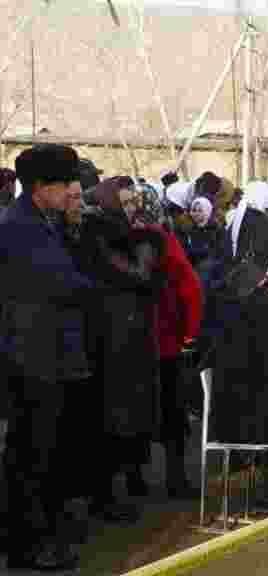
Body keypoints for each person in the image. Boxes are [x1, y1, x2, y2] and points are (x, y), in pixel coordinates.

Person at [1, 144, 92, 570]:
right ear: (40, 187)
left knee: (43, 451)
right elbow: (62, 283)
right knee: (30, 455)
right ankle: (26, 544)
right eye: (63, 184)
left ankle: (38, 535)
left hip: (48, 356)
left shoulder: (41, 221)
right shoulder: (20, 227)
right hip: (32, 359)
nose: (70, 191)